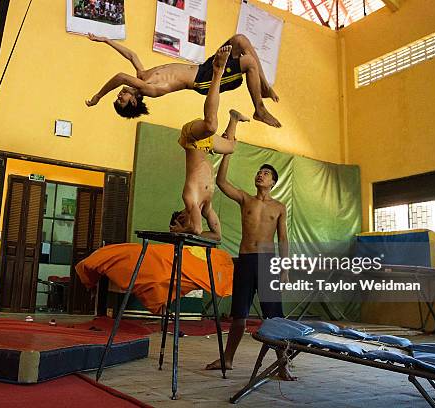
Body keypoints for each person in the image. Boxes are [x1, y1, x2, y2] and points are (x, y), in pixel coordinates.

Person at [205, 154, 295, 381]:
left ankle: (283, 365)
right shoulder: (246, 199)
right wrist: (227, 153)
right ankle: (227, 359)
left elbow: (283, 239)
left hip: (268, 264)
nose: (260, 175)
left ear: (273, 182)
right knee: (239, 315)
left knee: (274, 318)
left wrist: (284, 270)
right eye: (259, 172)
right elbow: (222, 182)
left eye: (265, 173)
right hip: (245, 261)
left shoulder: (279, 207)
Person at [85, 34, 281, 127]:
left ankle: (264, 86)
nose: (119, 94)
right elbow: (120, 77)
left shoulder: (142, 76)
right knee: (248, 63)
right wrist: (98, 96)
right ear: (134, 101)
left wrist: (107, 41)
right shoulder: (150, 90)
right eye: (122, 99)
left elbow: (132, 56)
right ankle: (259, 108)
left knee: (240, 40)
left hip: (203, 67)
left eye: (118, 97)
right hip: (204, 79)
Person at [169, 45, 250, 240]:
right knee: (230, 147)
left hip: (191, 140)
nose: (188, 221)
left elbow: (195, 230)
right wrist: (185, 232)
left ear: (182, 215)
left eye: (182, 220)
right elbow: (217, 236)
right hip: (205, 146)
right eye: (184, 222)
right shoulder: (206, 208)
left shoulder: (190, 199)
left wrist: (181, 231)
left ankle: (217, 72)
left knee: (211, 125)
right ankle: (234, 118)